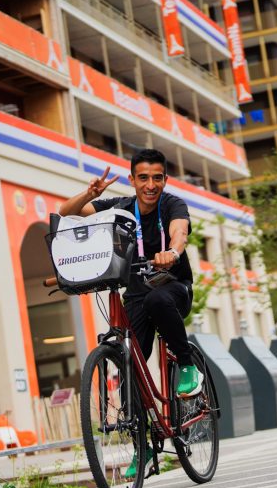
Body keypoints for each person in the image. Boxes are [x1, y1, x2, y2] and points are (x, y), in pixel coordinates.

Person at [59, 150, 202, 399]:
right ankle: (139, 424)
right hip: (136, 296)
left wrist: (172, 252)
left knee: (157, 300)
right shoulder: (120, 207)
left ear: (165, 180)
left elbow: (179, 233)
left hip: (173, 289)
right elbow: (67, 213)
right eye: (143, 178)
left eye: (157, 178)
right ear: (132, 180)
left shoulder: (172, 204)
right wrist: (89, 195)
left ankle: (188, 366)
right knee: (130, 361)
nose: (150, 185)